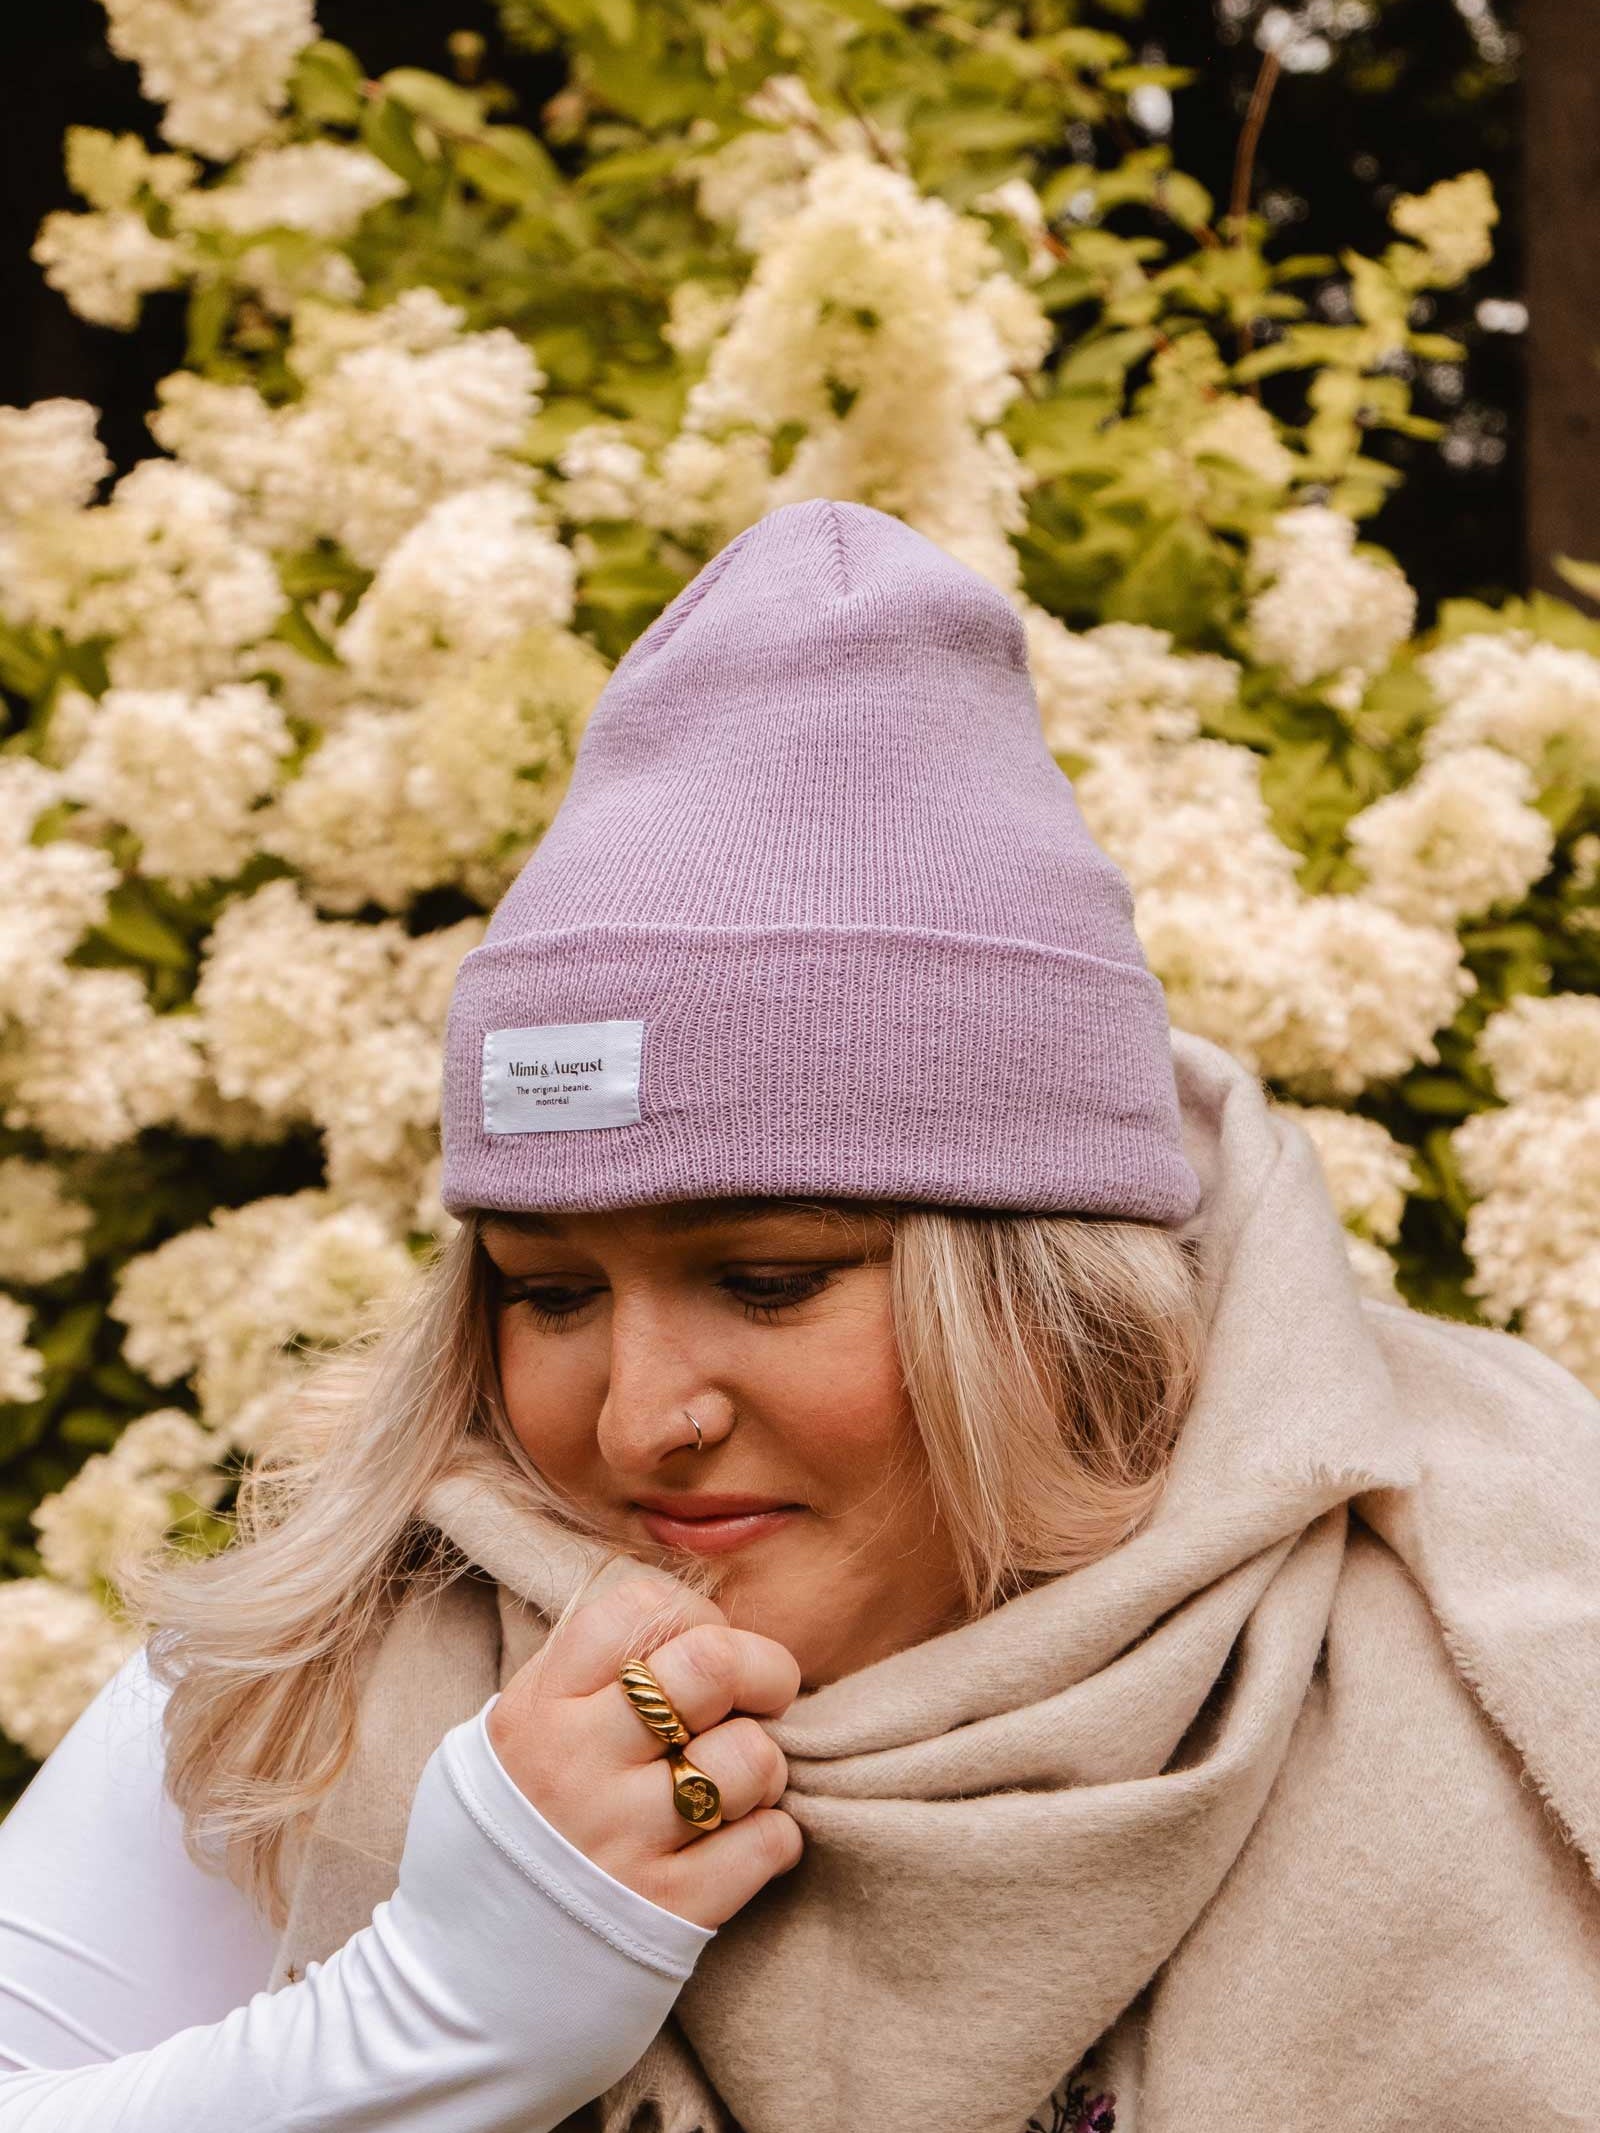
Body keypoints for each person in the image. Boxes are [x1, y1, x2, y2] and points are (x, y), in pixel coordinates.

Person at [1, 498, 1597, 2133]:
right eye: (548, 1292)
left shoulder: (1507, 1617)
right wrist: (439, 2018)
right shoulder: (313, 1654)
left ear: (1051, 1293)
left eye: (765, 1279)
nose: (635, 1418)